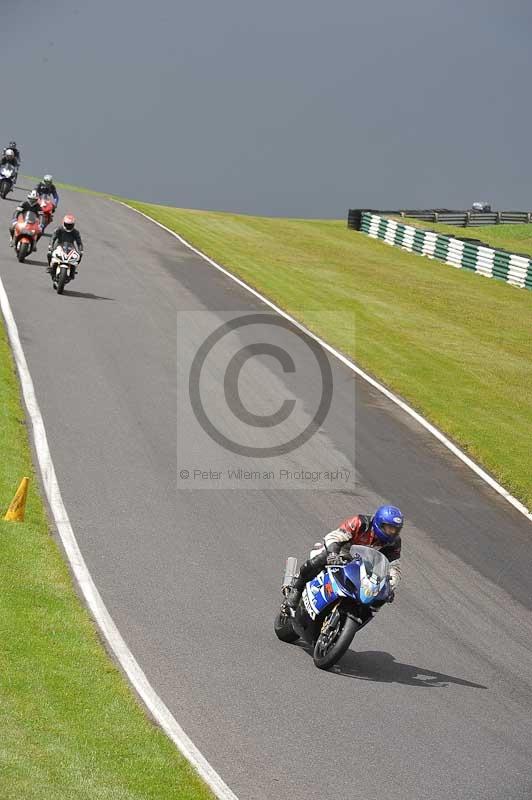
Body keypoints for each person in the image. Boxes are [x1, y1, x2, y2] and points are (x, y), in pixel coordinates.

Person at [285, 504, 404, 610]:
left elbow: (394, 567)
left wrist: (391, 587)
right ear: (379, 523)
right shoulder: (361, 523)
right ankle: (297, 588)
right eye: (389, 528)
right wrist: (333, 553)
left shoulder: (394, 542)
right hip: (341, 552)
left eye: (395, 530)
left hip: (364, 565)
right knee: (321, 558)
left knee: (376, 595)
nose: (392, 532)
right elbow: (335, 536)